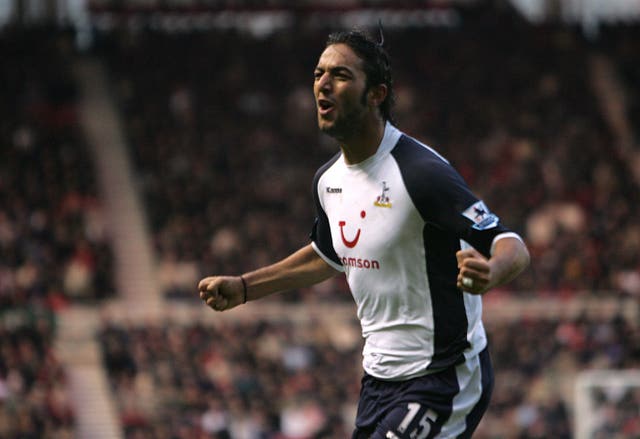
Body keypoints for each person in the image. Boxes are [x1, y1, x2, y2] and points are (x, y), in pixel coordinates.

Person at [199, 28, 530, 439]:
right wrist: (246, 286)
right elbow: (326, 255)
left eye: (339, 74)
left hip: (444, 377)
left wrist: (493, 271)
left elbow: (509, 243)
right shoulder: (328, 181)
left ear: (376, 94)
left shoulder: (420, 173)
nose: (322, 83)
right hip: (378, 383)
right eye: (319, 72)